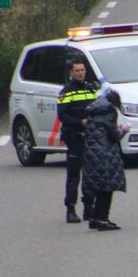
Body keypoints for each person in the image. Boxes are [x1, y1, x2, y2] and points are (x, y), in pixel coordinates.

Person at [82, 85, 129, 230]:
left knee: (98, 186)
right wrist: (123, 129)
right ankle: (102, 220)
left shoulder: (93, 111)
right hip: (106, 154)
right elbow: (114, 135)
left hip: (91, 154)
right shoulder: (108, 112)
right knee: (107, 188)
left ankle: (95, 218)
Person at [57, 60, 98, 223]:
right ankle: (70, 209)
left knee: (91, 174)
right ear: (71, 73)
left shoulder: (90, 89)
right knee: (74, 175)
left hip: (91, 138)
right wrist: (79, 122)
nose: (81, 73)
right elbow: (62, 115)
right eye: (77, 70)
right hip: (75, 137)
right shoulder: (66, 92)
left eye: (83, 70)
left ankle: (89, 208)